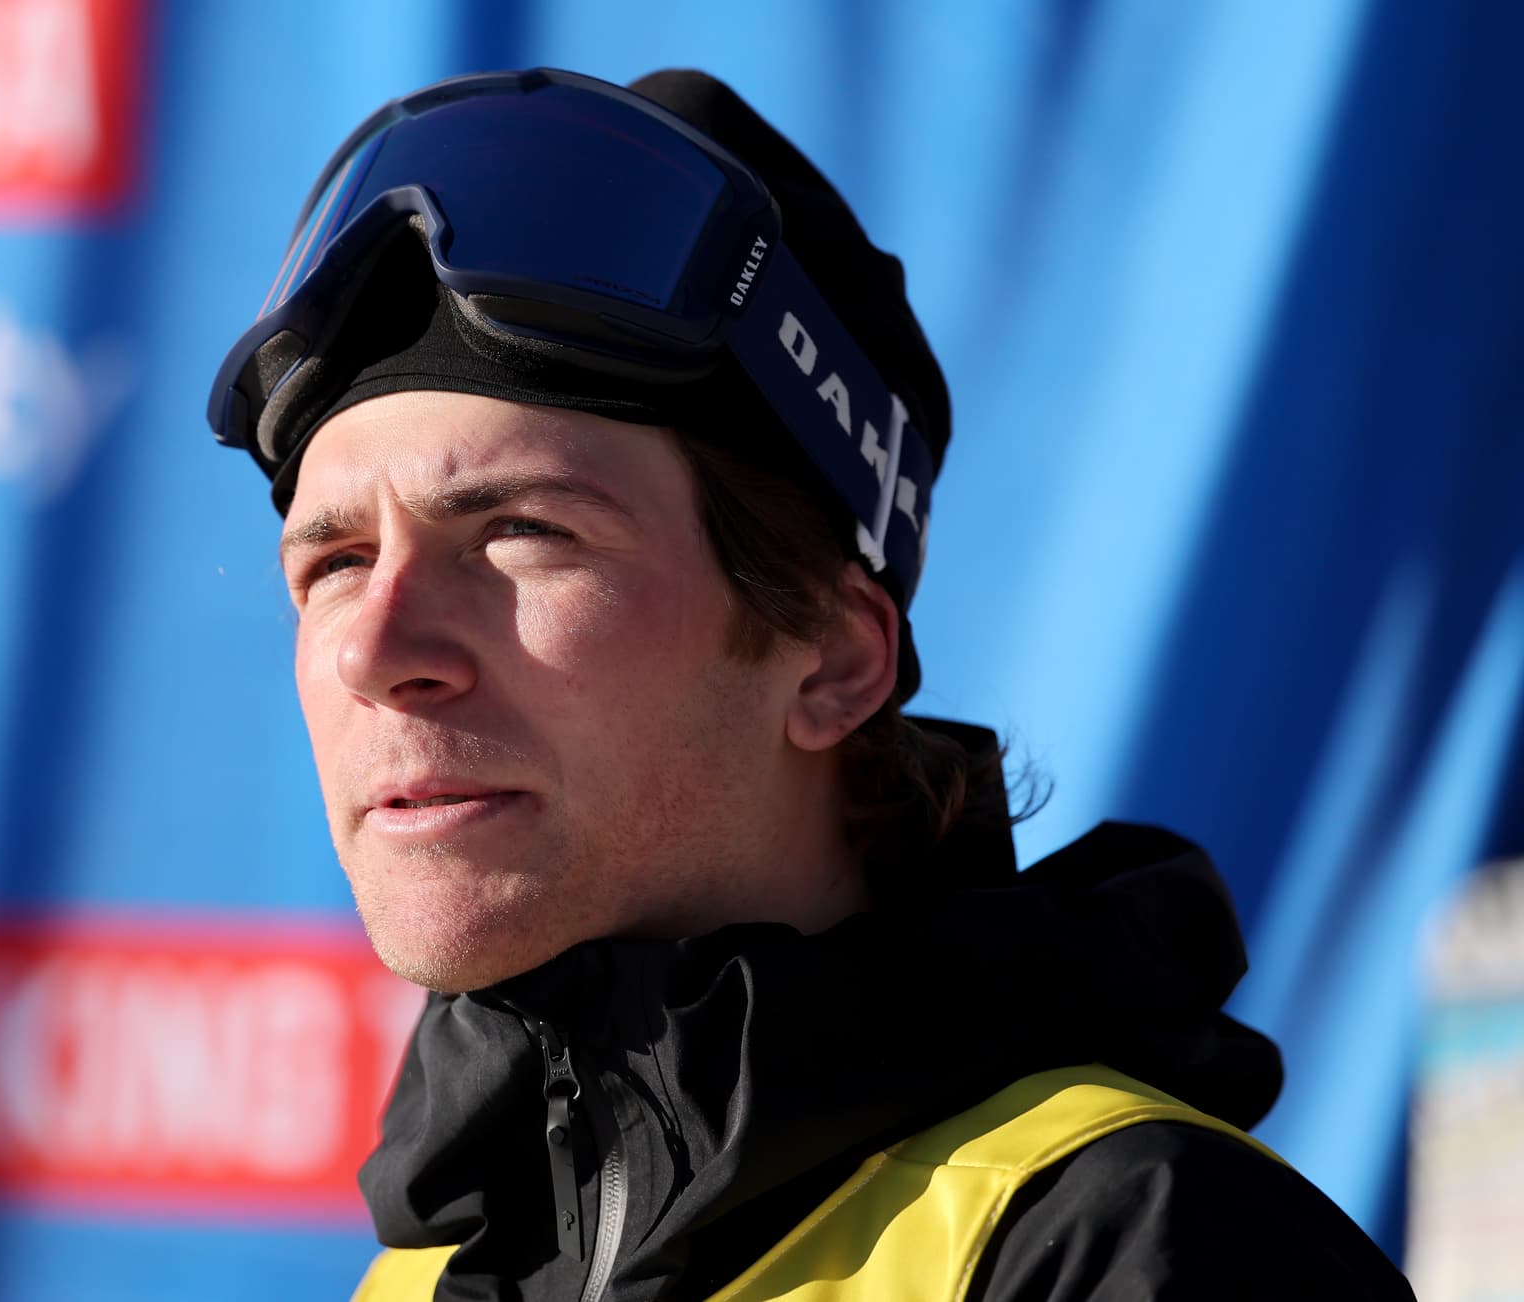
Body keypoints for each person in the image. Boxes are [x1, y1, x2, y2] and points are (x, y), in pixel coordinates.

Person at [207, 67, 1414, 1302]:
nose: (376, 648)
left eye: (522, 531)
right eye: (338, 561)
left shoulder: (1131, 1247)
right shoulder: (423, 1276)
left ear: (836, 660)